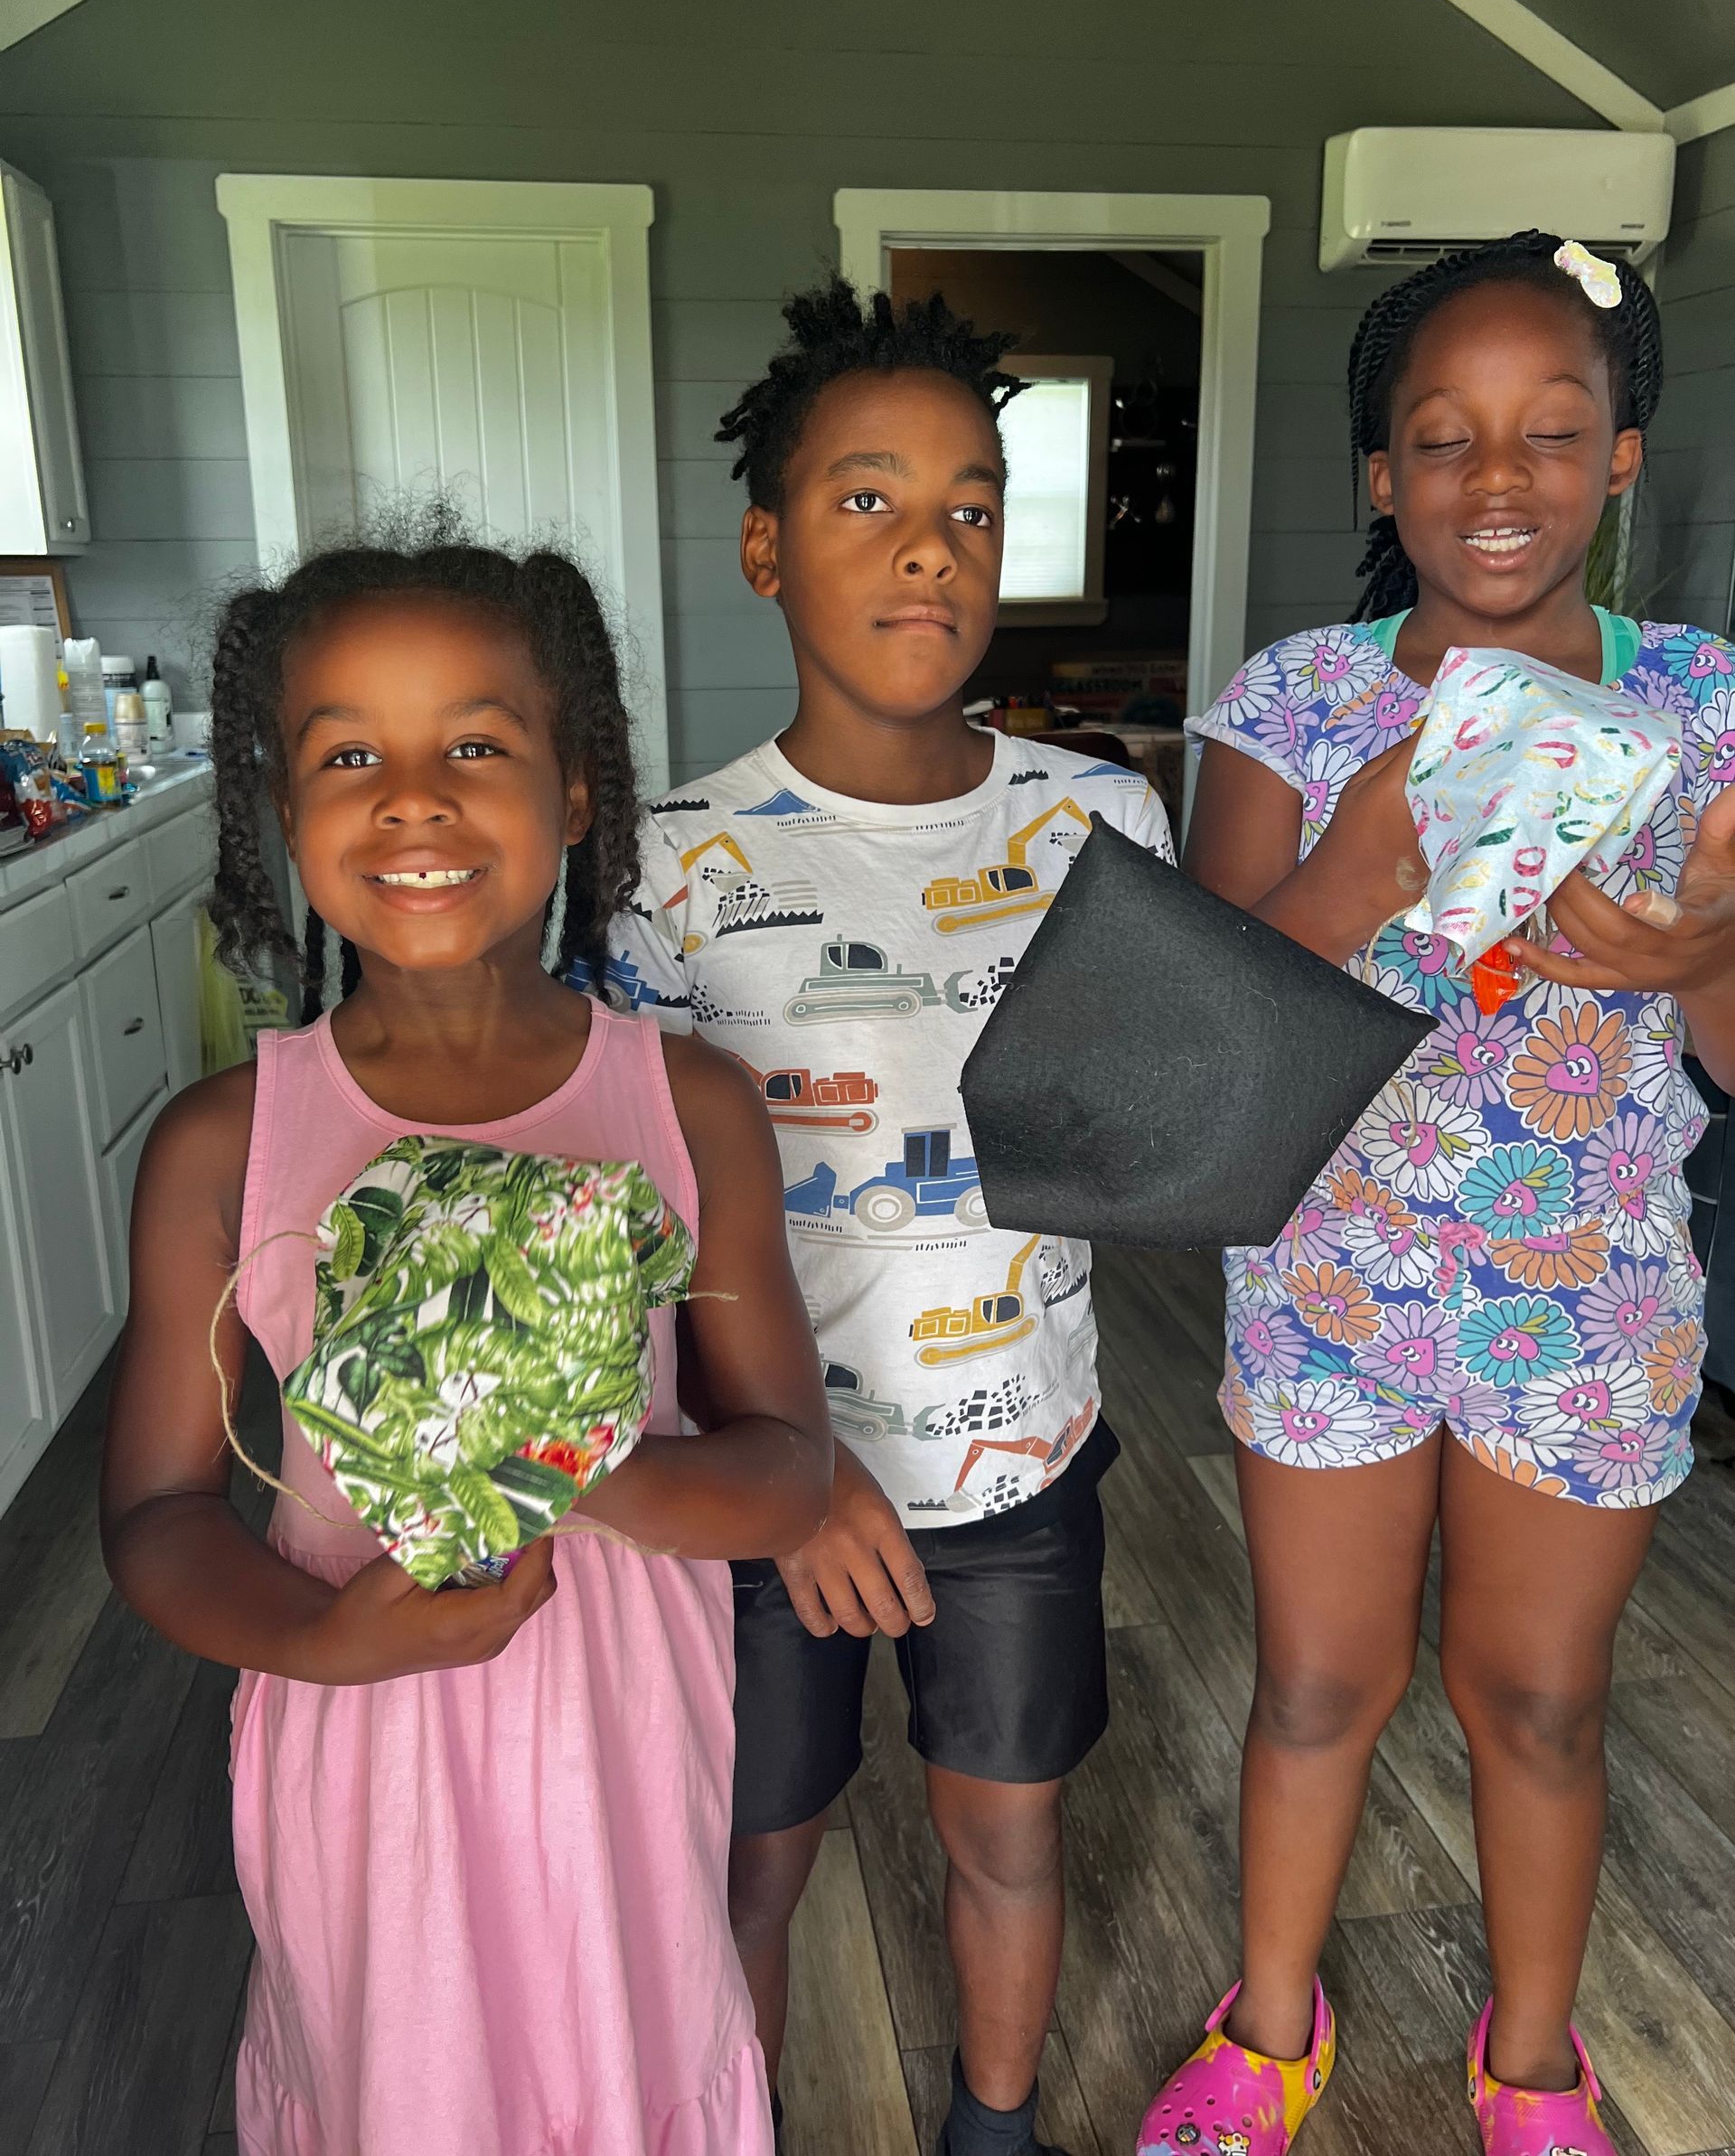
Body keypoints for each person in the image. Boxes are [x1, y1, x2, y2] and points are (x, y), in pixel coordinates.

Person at [99, 529, 833, 2156]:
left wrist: (567, 1457)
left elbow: (789, 1472)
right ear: (282, 815)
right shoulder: (228, 1142)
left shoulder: (683, 1104)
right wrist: (332, 1644)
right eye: (348, 753)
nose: (413, 798)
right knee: (401, 2079)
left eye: (477, 747)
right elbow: (154, 1517)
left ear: (577, 793)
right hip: (358, 1721)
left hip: (620, 1719)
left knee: (618, 2048)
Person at [1137, 230, 1735, 2156]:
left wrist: (1686, 965)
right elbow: (1201, 1039)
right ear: (1381, 473)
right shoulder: (1300, 702)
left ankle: (1536, 2058)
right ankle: (1271, 2024)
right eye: (1445, 437)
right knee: (1317, 1683)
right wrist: (1358, 864)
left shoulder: (1710, 710)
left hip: (1594, 1298)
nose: (1501, 479)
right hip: (1332, 1275)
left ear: (1624, 454)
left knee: (1543, 1703)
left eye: (1554, 433)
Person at [580, 281, 1172, 2156]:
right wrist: (806, 1470)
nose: (933, 544)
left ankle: (992, 2133)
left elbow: (1141, 1130)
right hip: (764, 1484)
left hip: (1020, 1462)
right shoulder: (668, 869)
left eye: (975, 504)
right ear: (764, 546)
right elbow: (630, 1234)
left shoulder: (1103, 818)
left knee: (1008, 1827)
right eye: (867, 498)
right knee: (754, 1855)